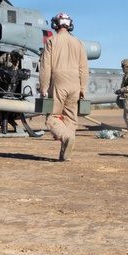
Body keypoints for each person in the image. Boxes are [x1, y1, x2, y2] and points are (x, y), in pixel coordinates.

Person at [39, 12, 89, 161]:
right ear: (70, 25)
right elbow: (84, 68)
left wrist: (43, 86)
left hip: (58, 80)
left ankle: (66, 137)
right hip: (75, 82)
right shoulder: (78, 42)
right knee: (71, 119)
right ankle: (65, 154)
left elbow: (45, 66)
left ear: (55, 24)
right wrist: (83, 88)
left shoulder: (51, 41)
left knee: (52, 118)